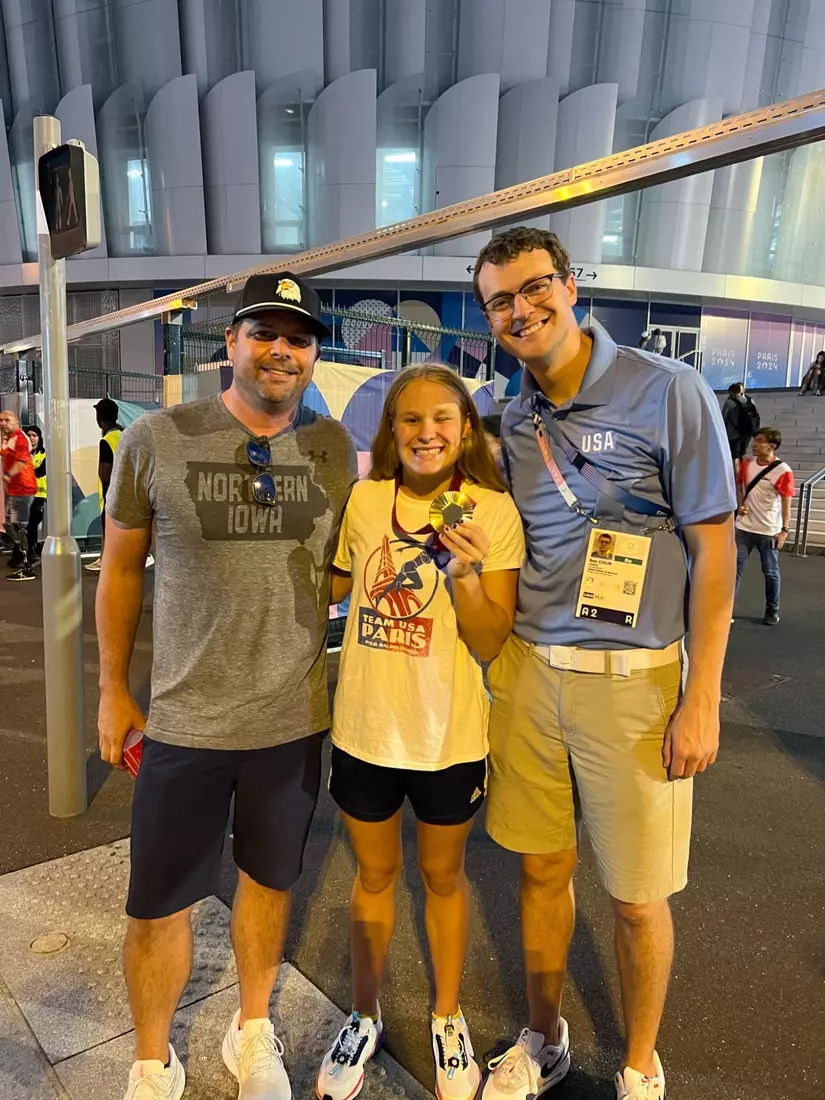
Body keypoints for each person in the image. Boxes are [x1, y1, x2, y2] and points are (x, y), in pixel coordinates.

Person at [473, 227, 736, 1100]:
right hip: (528, 673)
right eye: (500, 301)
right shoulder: (510, 419)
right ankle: (543, 1037)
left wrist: (702, 696)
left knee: (636, 896)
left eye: (533, 287)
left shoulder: (667, 389)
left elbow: (714, 551)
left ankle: (638, 1064)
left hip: (636, 683)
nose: (521, 310)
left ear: (569, 285)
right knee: (541, 870)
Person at [96, 272, 358, 1100]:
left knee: (269, 886)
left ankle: (251, 1029)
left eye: (298, 338)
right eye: (264, 333)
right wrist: (112, 689)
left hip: (290, 719)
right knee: (157, 905)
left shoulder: (333, 450)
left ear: (313, 356)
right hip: (185, 721)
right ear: (230, 344)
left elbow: (341, 570)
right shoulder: (157, 439)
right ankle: (151, 1060)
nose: (281, 350)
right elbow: (119, 572)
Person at [315, 365, 525, 1100]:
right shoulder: (366, 498)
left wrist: (465, 574)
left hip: (448, 737)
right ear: (391, 429)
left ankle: (446, 1016)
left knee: (442, 878)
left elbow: (490, 640)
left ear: (464, 430)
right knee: (373, 878)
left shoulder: (492, 510)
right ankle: (364, 1015)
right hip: (366, 729)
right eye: (411, 418)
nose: (426, 432)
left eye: (442, 418)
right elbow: (335, 584)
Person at [734, 428, 794, 626]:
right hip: (743, 528)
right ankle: (725, 609)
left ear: (772, 445)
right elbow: (740, 486)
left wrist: (784, 530)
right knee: (734, 570)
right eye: (755, 440)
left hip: (768, 531)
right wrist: (740, 503)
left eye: (760, 441)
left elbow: (786, 503)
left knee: (770, 572)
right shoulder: (747, 463)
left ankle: (772, 610)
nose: (755, 444)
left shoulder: (783, 471)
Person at [86, 397, 123, 573]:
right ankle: (104, 558)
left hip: (111, 494)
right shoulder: (124, 434)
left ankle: (106, 561)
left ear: (99, 419)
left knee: (107, 528)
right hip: (127, 493)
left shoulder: (106, 440)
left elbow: (104, 473)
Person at [1, 409, 38, 582]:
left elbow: (21, 461)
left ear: (16, 421)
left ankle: (26, 566)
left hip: (23, 489)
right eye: (1, 420)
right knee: (10, 525)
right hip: (14, 490)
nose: (3, 423)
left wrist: (8, 475)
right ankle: (22, 558)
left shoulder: (21, 438)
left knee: (19, 527)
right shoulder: (9, 438)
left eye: (6, 420)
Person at [721, 382, 760, 476]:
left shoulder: (730, 402)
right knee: (742, 454)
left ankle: (737, 477)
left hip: (733, 434)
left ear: (731, 392)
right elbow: (756, 414)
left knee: (735, 457)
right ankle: (744, 474)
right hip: (747, 433)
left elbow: (723, 417)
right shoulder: (750, 400)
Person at [24, 424, 46, 564]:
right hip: (23, 494)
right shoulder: (22, 452)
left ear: (39, 438)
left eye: (34, 435)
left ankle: (31, 551)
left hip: (38, 495)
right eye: (29, 435)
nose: (31, 438)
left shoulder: (43, 453)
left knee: (32, 523)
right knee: (24, 525)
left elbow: (40, 471)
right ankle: (24, 553)